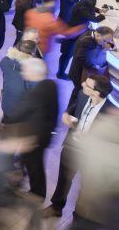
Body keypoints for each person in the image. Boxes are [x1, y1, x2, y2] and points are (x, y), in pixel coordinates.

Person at [43, 75, 112, 219]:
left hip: (91, 156)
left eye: (87, 85)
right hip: (71, 146)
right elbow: (74, 106)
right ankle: (56, 207)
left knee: (86, 187)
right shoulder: (82, 95)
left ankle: (79, 216)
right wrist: (66, 114)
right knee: (63, 179)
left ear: (97, 93)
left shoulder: (109, 113)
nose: (82, 84)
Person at [7, 58, 58, 199]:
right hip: (43, 135)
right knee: (30, 163)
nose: (23, 73)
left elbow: (17, 114)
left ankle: (37, 194)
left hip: (34, 139)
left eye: (25, 70)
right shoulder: (51, 84)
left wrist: (5, 122)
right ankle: (21, 183)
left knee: (34, 166)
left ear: (35, 73)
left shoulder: (35, 93)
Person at [57, 0, 106, 80]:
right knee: (67, 55)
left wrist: (98, 10)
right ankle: (60, 74)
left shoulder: (81, 4)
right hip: (73, 34)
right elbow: (95, 19)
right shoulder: (83, 10)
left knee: (68, 53)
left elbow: (91, 8)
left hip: (75, 32)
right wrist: (102, 14)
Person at [0, 40, 38, 123]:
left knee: (6, 121)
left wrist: (14, 53)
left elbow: (4, 60)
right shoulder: (33, 73)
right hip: (21, 111)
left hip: (6, 104)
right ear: (33, 54)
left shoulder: (6, 64)